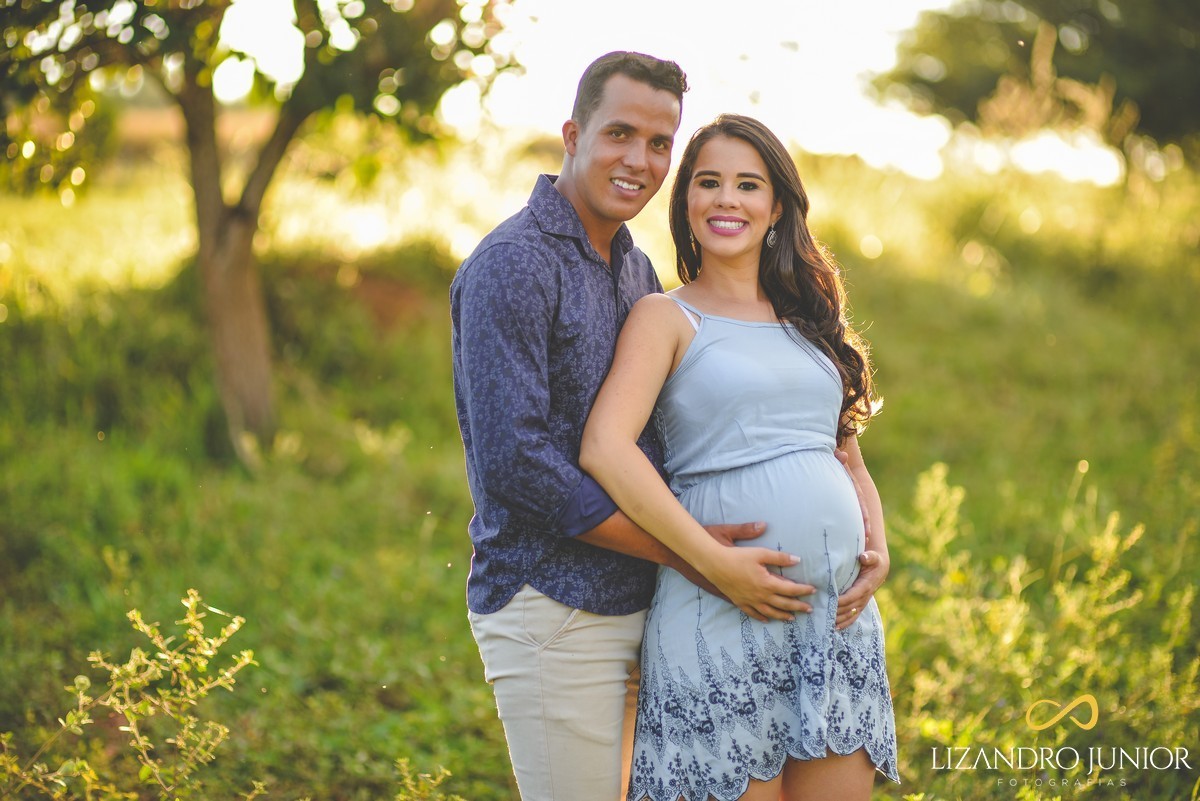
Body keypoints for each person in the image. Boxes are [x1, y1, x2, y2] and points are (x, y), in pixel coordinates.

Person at [450, 55, 817, 801]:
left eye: (659, 143)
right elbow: (519, 467)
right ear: (572, 133)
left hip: (644, 606)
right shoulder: (512, 264)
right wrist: (697, 555)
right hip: (552, 609)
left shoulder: (632, 266)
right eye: (620, 133)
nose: (640, 161)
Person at [580, 114, 900, 801]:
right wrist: (713, 559)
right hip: (720, 609)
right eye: (709, 182)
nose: (727, 199)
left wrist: (878, 545)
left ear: (776, 205)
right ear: (685, 201)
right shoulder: (665, 317)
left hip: (834, 626)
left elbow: (847, 454)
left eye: (747, 184)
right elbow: (606, 448)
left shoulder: (810, 320)